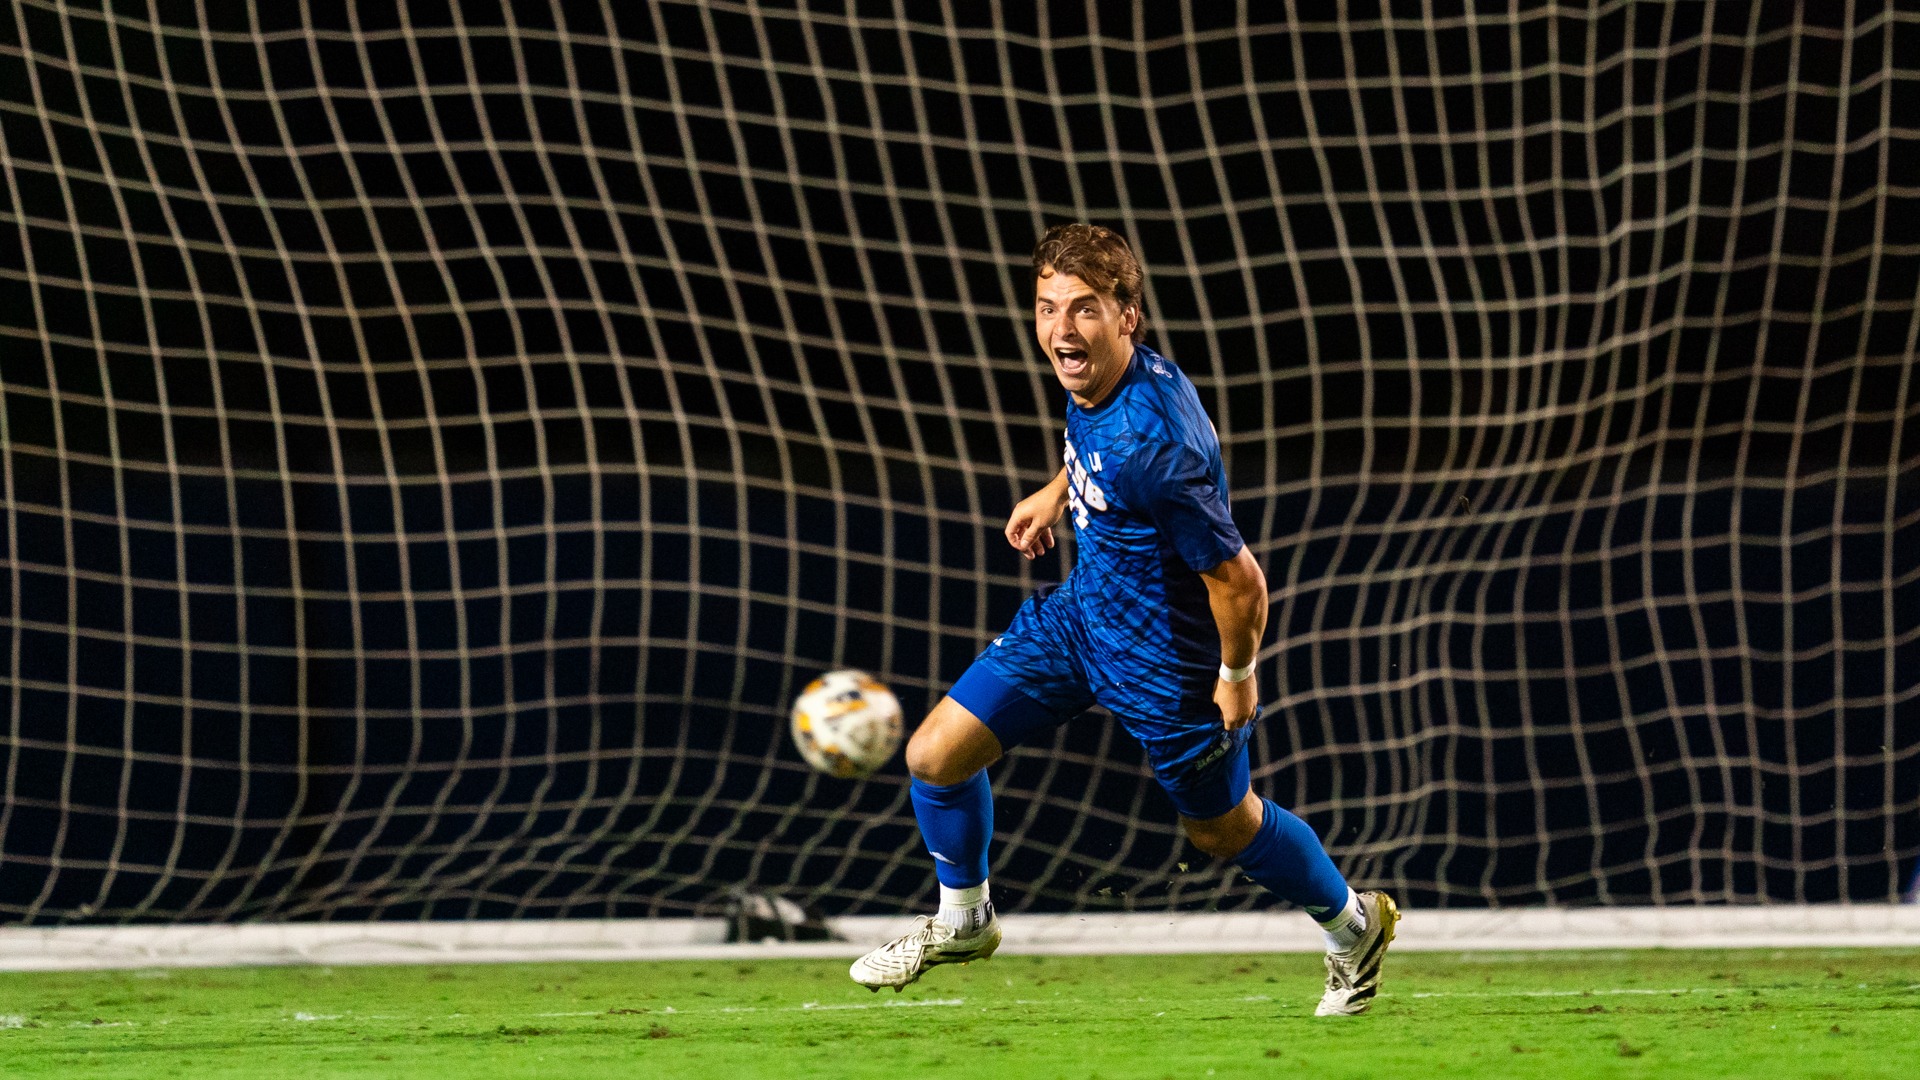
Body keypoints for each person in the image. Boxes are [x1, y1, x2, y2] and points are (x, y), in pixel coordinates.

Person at [849, 224, 1398, 1016]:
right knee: (934, 756)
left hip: (1167, 664)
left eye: (1084, 311)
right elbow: (1102, 459)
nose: (1061, 332)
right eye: (1047, 308)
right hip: (1080, 618)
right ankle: (963, 919)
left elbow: (1240, 582)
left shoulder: (1157, 444)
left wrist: (1236, 678)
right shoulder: (1106, 386)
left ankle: (1353, 927)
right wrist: (1058, 490)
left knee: (1221, 831)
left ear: (1126, 318)